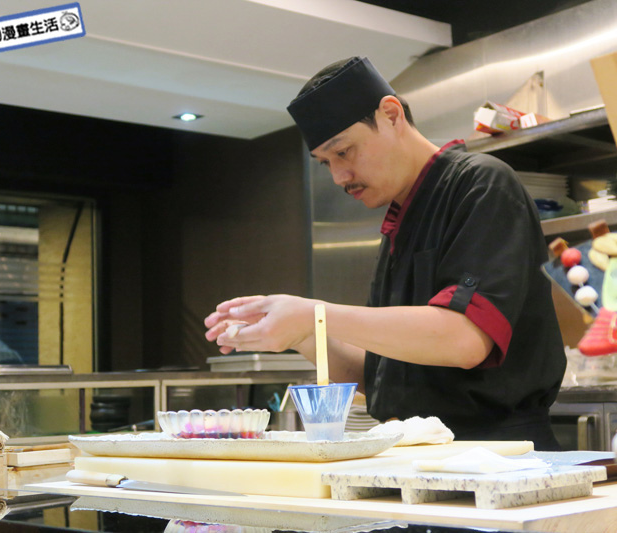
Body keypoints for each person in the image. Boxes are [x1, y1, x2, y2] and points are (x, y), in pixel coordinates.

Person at [205, 57, 566, 450]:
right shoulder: (399, 221)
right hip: (414, 454)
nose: (338, 177)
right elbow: (378, 376)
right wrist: (302, 333)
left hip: (497, 455)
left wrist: (315, 313)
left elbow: (463, 340)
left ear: (391, 115)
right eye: (326, 163)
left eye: (344, 152)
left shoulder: (481, 184)